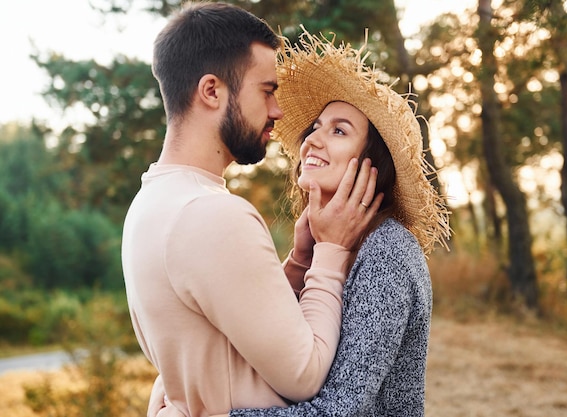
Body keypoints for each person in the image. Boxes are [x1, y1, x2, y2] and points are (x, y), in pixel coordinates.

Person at [150, 29, 451, 417]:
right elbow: (274, 348)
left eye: (339, 130)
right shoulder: (326, 243)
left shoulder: (387, 251)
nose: (312, 140)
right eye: (315, 127)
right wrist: (300, 261)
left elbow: (339, 410)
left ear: (372, 167)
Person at [121, 3, 383, 417]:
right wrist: (331, 251)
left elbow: (220, 337)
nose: (278, 111)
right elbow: (304, 374)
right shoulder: (212, 214)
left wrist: (299, 262)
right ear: (212, 91)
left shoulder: (149, 204)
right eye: (267, 90)